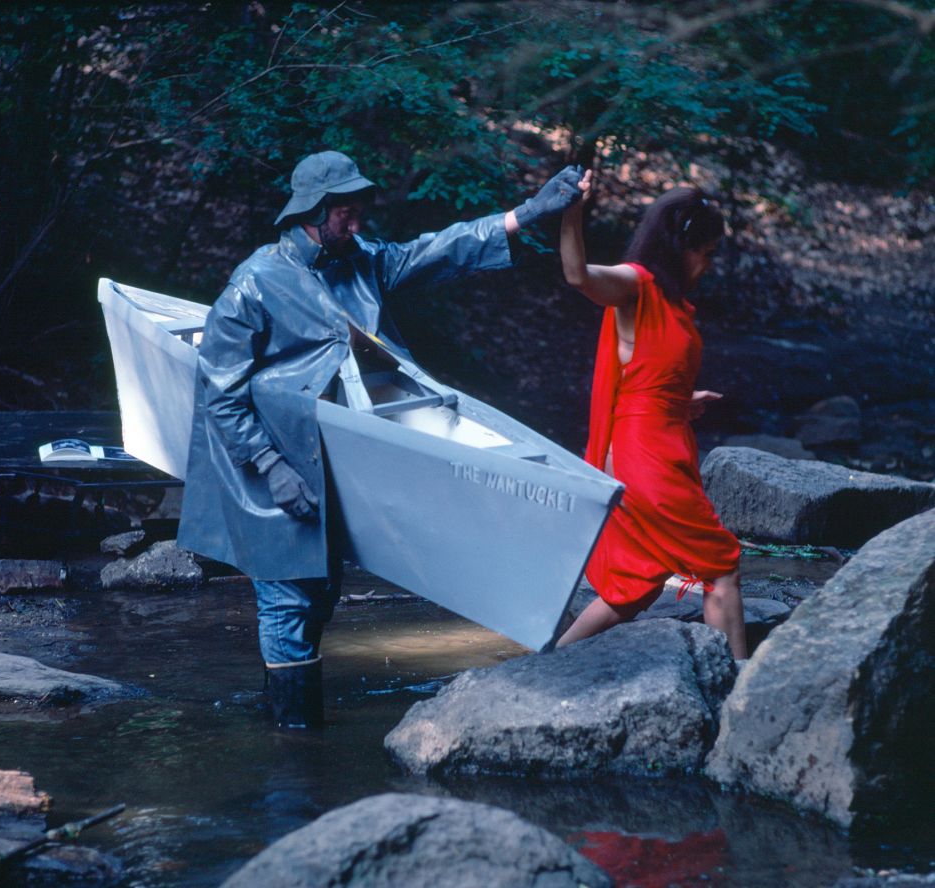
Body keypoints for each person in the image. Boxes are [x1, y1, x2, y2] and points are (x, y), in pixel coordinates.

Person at [177, 150, 586, 729]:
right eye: (344, 213)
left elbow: (439, 250)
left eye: (357, 210)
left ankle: (285, 724)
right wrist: (270, 464)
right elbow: (219, 392)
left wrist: (529, 213)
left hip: (333, 459)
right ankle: (294, 745)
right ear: (313, 213)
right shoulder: (255, 283)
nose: (356, 223)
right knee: (288, 598)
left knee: (318, 595)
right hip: (270, 461)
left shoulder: (363, 260)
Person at [555, 171, 748, 660]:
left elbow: (648, 378)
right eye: (705, 254)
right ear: (682, 247)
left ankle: (550, 661)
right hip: (647, 460)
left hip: (660, 445)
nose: (707, 265)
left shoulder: (673, 305)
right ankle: (744, 689)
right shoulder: (636, 285)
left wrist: (684, 402)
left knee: (635, 585)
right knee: (720, 564)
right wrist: (571, 213)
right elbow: (578, 276)